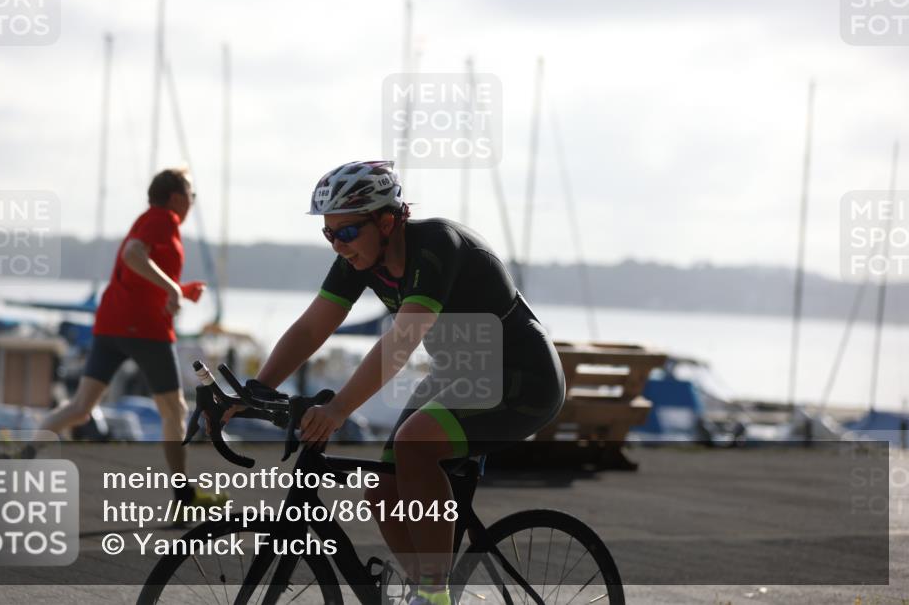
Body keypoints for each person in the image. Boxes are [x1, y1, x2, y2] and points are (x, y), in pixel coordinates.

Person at [229, 160, 566, 605]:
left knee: (414, 446)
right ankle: (423, 591)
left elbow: (403, 340)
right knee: (383, 489)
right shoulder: (358, 258)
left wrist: (338, 409)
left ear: (386, 222)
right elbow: (312, 328)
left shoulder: (436, 246)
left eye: (347, 232)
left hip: (521, 376)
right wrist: (254, 390)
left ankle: (433, 594)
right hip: (458, 376)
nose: (339, 245)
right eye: (329, 234)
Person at [39, 167, 222, 510]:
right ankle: (184, 497)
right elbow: (132, 255)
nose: (192, 202)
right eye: (191, 195)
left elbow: (138, 272)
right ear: (176, 198)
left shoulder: (148, 219)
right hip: (146, 330)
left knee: (81, 408)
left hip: (111, 324)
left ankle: (23, 453)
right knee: (174, 410)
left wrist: (179, 290)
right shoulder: (163, 219)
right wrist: (173, 289)